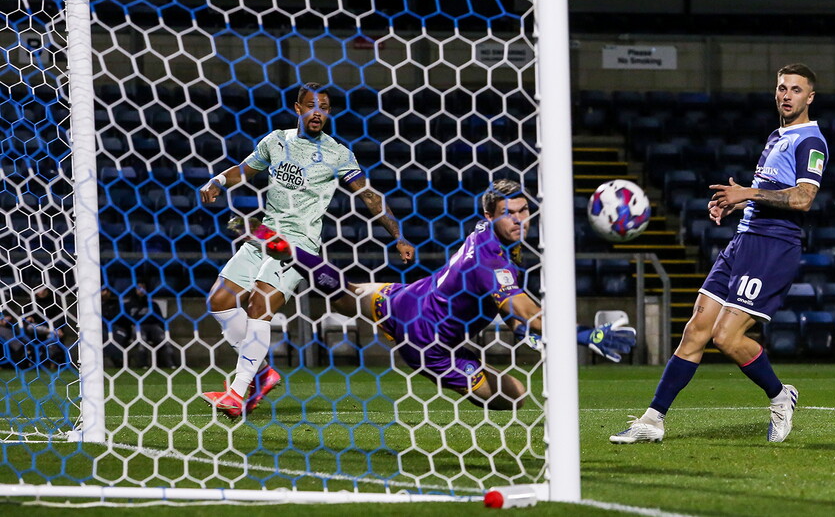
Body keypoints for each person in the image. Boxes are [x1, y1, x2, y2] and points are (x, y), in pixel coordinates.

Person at [204, 179, 637, 417]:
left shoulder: (492, 237)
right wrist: (586, 335)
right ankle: (283, 249)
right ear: (489, 215)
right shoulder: (492, 261)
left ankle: (281, 247)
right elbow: (528, 313)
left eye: (523, 211)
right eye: (509, 213)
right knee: (513, 397)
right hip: (429, 345)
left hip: (408, 299)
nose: (519, 219)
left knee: (346, 295)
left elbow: (514, 314)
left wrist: (522, 327)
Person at [609, 64, 828, 444]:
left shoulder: (811, 141)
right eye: (782, 88)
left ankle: (780, 396)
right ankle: (652, 420)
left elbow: (803, 198)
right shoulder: (777, 135)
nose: (786, 95)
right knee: (696, 328)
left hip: (773, 246)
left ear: (810, 97)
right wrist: (736, 205)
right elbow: (771, 194)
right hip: (743, 240)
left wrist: (747, 192)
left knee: (726, 337)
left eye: (796, 89)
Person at [199, 83, 415, 414]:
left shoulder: (337, 153)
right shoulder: (276, 141)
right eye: (311, 106)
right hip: (263, 234)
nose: (318, 113)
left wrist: (398, 236)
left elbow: (370, 197)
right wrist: (218, 181)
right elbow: (244, 171)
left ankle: (237, 393)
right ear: (298, 108)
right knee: (220, 301)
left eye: (324, 108)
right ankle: (262, 372)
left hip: (297, 245)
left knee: (259, 305)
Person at [124, 282, 178, 368]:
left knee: (164, 339)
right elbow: (125, 320)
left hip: (153, 326)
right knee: (142, 340)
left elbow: (160, 319)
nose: (141, 290)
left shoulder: (153, 304)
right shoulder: (128, 305)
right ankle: (143, 364)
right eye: (139, 288)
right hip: (137, 326)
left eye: (143, 288)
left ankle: (170, 364)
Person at [20, 285, 69, 369]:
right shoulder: (32, 302)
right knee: (31, 327)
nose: (41, 292)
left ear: (47, 290)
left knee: (51, 338)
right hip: (37, 329)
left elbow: (61, 317)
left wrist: (58, 327)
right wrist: (28, 317)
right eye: (39, 290)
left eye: (43, 290)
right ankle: (49, 331)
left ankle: (53, 362)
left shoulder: (55, 301)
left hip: (53, 328)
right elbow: (22, 315)